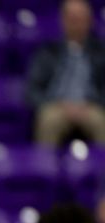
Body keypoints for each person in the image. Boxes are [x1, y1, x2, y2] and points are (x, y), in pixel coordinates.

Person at [26, 0, 105, 146]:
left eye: (81, 19)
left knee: (101, 122)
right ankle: (45, 167)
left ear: (90, 21)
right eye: (73, 19)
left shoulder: (100, 52)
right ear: (63, 20)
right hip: (57, 106)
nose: (77, 24)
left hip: (90, 106)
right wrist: (55, 104)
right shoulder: (47, 52)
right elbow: (32, 90)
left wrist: (92, 104)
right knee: (47, 120)